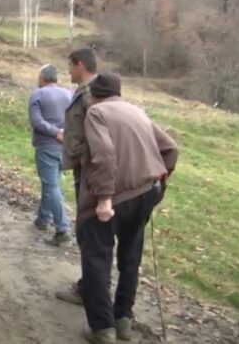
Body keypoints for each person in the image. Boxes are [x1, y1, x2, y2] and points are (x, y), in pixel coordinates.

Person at [76, 73, 179, 344]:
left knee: (97, 257)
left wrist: (104, 198)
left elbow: (105, 155)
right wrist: (160, 180)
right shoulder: (137, 110)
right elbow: (170, 148)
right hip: (146, 193)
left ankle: (102, 329)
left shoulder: (96, 113)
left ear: (94, 96)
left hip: (114, 198)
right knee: (130, 256)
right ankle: (123, 320)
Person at [56, 47, 98, 304]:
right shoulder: (85, 91)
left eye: (70, 65)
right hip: (85, 167)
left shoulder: (91, 93)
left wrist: (81, 153)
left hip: (91, 170)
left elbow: (99, 131)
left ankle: (89, 290)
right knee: (86, 228)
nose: (68, 70)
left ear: (80, 65)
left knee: (89, 229)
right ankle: (90, 285)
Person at [28, 65, 73, 246]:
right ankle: (42, 219)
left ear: (42, 77)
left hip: (47, 146)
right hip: (66, 147)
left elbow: (37, 122)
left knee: (51, 186)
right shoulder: (69, 95)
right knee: (53, 184)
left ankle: (63, 228)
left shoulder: (37, 95)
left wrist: (55, 132)